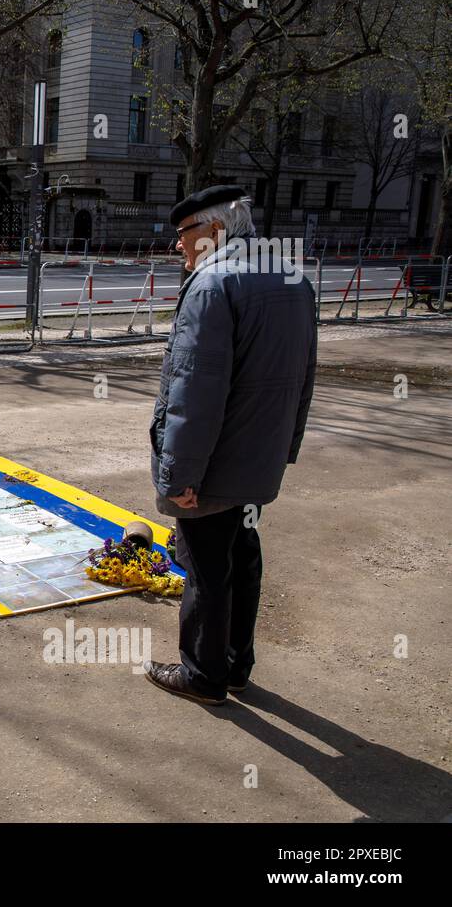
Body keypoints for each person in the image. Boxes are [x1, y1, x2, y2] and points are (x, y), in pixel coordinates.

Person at [144, 185, 317, 706]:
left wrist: (179, 475)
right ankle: (238, 665)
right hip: (256, 460)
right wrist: (286, 446)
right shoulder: (293, 280)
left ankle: (203, 674)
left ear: (215, 230)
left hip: (212, 465)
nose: (178, 245)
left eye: (183, 233)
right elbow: (304, 377)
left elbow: (194, 392)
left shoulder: (211, 285)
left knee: (205, 569)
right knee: (243, 557)